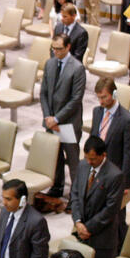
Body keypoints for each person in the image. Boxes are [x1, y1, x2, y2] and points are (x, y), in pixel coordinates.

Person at [72, 136, 124, 258]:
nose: (89, 162)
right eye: (87, 157)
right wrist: (78, 221)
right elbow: (75, 194)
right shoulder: (83, 166)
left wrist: (89, 228)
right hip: (82, 231)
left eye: (93, 159)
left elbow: (110, 210)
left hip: (103, 237)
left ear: (103, 155)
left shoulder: (114, 175)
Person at [92, 77, 130, 247]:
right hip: (98, 171)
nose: (101, 101)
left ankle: (120, 246)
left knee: (117, 215)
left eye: (104, 97)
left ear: (114, 94)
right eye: (99, 97)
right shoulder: (97, 112)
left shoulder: (127, 120)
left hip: (116, 175)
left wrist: (125, 183)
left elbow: (129, 154)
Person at [41, 32, 85, 200]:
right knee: (55, 157)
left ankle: (75, 195)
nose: (56, 52)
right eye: (53, 48)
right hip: (51, 121)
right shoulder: (50, 63)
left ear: (68, 47)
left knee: (73, 161)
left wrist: (57, 119)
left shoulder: (77, 68)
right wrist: (48, 117)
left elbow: (76, 99)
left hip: (68, 123)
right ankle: (57, 186)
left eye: (59, 49)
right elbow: (43, 93)